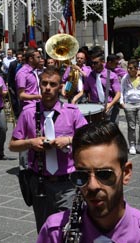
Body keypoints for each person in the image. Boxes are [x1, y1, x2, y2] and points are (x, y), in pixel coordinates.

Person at [9, 67, 87, 232]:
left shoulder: (72, 113)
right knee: (44, 232)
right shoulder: (28, 113)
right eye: (44, 83)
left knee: (67, 231)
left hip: (67, 183)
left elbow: (88, 140)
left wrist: (69, 140)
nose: (48, 88)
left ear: (60, 87)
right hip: (40, 183)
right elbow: (13, 145)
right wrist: (30, 142)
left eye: (53, 84)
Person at [120, 59, 140, 155]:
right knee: (131, 126)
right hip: (129, 103)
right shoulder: (125, 78)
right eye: (128, 68)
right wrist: (122, 102)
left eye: (131, 68)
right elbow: (122, 90)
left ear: (136, 68)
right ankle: (132, 144)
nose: (129, 70)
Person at [81, 50, 121, 124]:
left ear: (102, 62)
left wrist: (110, 104)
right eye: (92, 63)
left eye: (95, 63)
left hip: (110, 106)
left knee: (111, 131)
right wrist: (75, 99)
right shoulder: (89, 76)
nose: (93, 65)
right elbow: (85, 90)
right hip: (95, 107)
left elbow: (118, 93)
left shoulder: (112, 75)